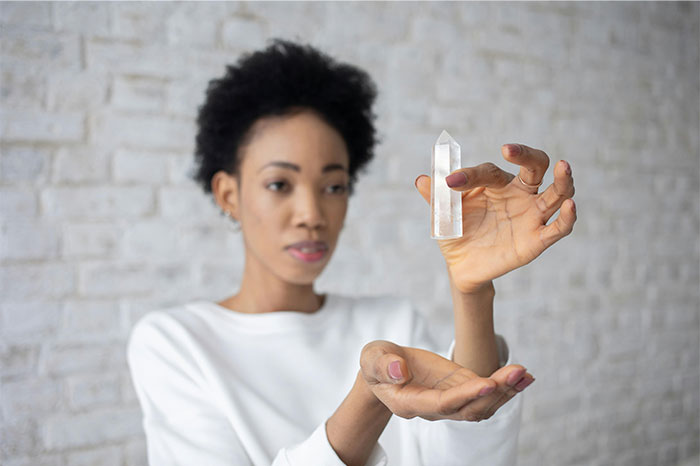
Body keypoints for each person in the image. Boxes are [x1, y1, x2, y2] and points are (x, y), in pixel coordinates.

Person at [127, 38, 576, 466]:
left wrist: (473, 290)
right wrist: (369, 397)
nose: (311, 213)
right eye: (279, 184)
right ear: (228, 194)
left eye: (334, 185)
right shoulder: (176, 344)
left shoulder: (392, 322)